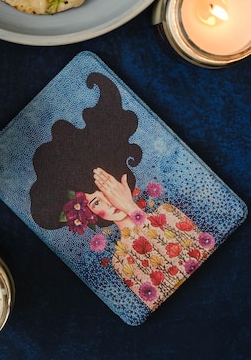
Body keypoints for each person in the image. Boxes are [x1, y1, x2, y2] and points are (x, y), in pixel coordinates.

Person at [30, 72, 215, 311]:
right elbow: (165, 292)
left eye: (108, 188)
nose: (110, 202)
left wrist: (132, 208)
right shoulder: (120, 260)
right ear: (90, 217)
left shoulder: (168, 214)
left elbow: (200, 253)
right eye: (96, 203)